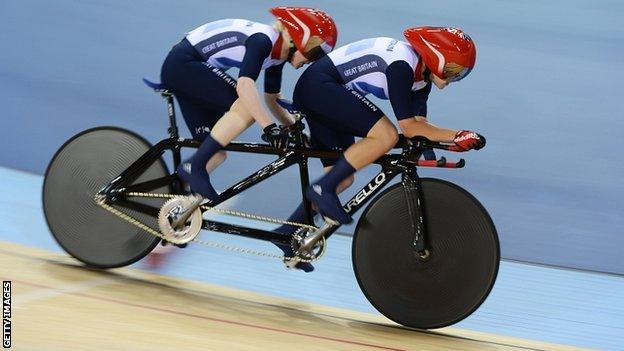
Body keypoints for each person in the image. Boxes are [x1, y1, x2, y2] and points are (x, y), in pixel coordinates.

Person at [275, 27, 486, 271]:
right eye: (453, 71)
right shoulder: (402, 66)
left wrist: (450, 143)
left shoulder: (421, 80)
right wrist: (457, 134)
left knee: (342, 177)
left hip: (325, 90)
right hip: (320, 87)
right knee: (385, 135)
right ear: (435, 57)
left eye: (461, 74)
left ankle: (285, 234)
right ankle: (322, 188)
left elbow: (421, 127)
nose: (454, 79)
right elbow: (408, 127)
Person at [153, 7, 338, 270]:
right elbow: (245, 86)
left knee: (216, 154)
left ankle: (176, 219)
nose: (314, 60)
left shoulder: (278, 56)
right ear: (300, 37)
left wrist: (293, 129)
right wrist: (269, 128)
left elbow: (271, 99)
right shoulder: (263, 40)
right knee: (244, 107)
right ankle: (194, 168)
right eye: (317, 52)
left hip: (192, 69)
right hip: (185, 66)